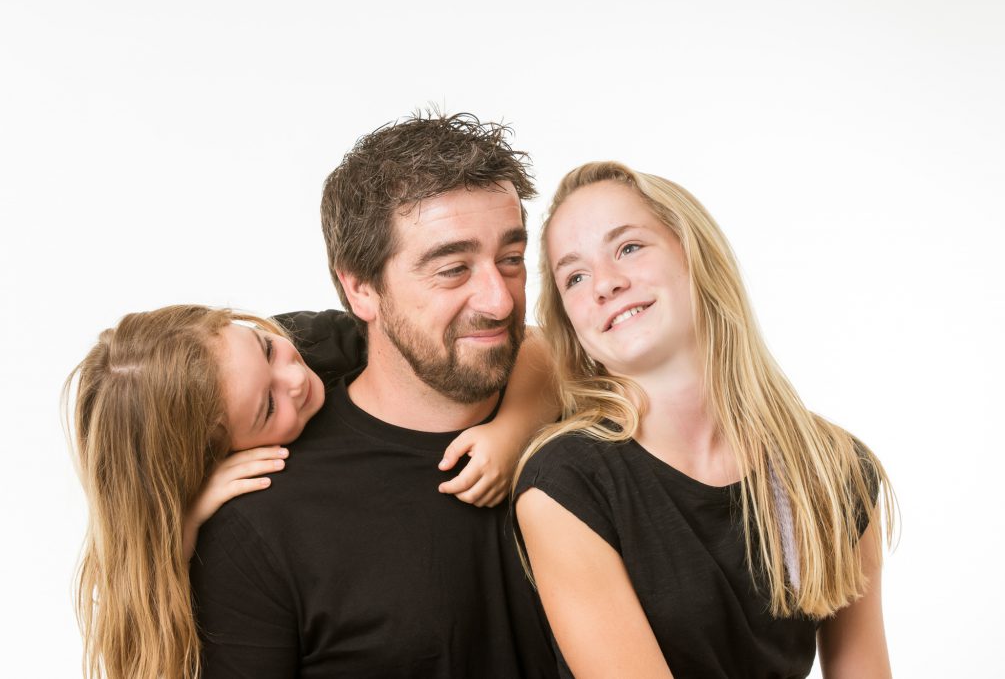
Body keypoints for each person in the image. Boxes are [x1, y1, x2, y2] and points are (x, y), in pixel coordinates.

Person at [189, 113, 559, 677]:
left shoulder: (594, 426)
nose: (501, 301)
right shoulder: (262, 518)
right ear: (360, 287)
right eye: (453, 269)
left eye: (510, 260)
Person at [514, 161, 897, 678]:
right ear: (572, 322)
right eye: (575, 276)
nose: (604, 284)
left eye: (628, 247)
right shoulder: (564, 483)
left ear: (695, 255)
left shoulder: (834, 467)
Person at [66, 304, 555, 679]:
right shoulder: (234, 536)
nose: (296, 378)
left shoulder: (315, 340)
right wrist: (187, 526)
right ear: (217, 455)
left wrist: (511, 431)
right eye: (267, 407)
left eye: (265, 349)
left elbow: (536, 343)